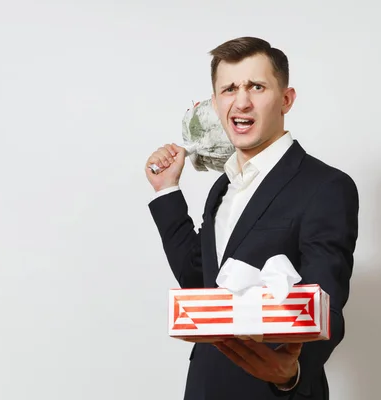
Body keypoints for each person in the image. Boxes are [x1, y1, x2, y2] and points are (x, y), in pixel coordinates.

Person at [145, 36, 359, 400]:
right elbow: (201, 282)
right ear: (215, 103)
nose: (241, 101)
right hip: (205, 388)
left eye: (256, 87)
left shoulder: (326, 186)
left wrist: (293, 371)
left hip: (274, 391)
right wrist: (167, 192)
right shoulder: (221, 188)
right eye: (229, 89)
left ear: (286, 99)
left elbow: (328, 302)